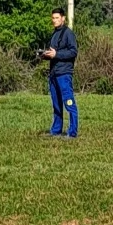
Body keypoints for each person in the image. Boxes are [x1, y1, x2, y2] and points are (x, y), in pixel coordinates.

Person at [41, 8, 78, 138]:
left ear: (63, 18)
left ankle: (72, 132)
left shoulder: (68, 33)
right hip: (53, 73)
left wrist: (57, 54)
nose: (55, 20)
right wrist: (45, 55)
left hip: (64, 73)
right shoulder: (54, 34)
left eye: (57, 18)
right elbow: (53, 53)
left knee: (68, 102)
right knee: (56, 103)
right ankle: (56, 130)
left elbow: (73, 52)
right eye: (53, 18)